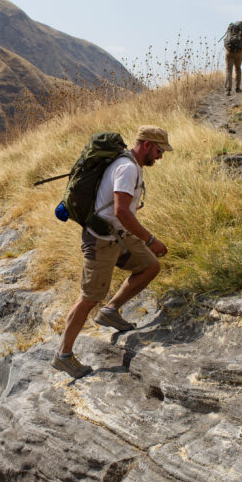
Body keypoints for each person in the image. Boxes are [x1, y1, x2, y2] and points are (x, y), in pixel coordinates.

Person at [52, 125, 172, 379]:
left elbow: (122, 211)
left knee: (149, 266)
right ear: (148, 144)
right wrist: (150, 239)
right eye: (160, 150)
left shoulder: (128, 164)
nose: (160, 156)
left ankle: (110, 311)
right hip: (101, 241)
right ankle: (63, 355)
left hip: (117, 236)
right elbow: (121, 211)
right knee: (89, 298)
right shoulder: (127, 168)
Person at [223, 21, 242, 95]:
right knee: (238, 69)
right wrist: (241, 46)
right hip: (239, 53)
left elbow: (226, 40)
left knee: (229, 70)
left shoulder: (231, 30)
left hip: (229, 52)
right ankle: (237, 88)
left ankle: (228, 89)